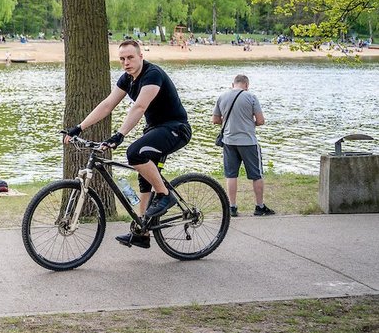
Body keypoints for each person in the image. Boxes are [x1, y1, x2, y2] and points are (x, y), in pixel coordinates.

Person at [63, 39, 192, 249]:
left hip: (175, 128)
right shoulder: (127, 79)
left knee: (135, 153)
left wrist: (119, 135)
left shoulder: (152, 74)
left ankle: (166, 196)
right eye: (122, 59)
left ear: (141, 56)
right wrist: (79, 127)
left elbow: (140, 107)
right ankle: (143, 232)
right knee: (144, 178)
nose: (126, 62)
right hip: (155, 130)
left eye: (130, 57)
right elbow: (107, 105)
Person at [213, 74, 272, 217]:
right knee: (256, 175)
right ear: (246, 85)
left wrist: (229, 121)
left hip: (229, 141)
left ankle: (232, 207)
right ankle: (259, 206)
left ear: (233, 84)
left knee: (231, 175)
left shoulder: (222, 97)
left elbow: (215, 120)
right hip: (248, 142)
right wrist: (250, 122)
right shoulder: (251, 97)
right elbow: (261, 120)